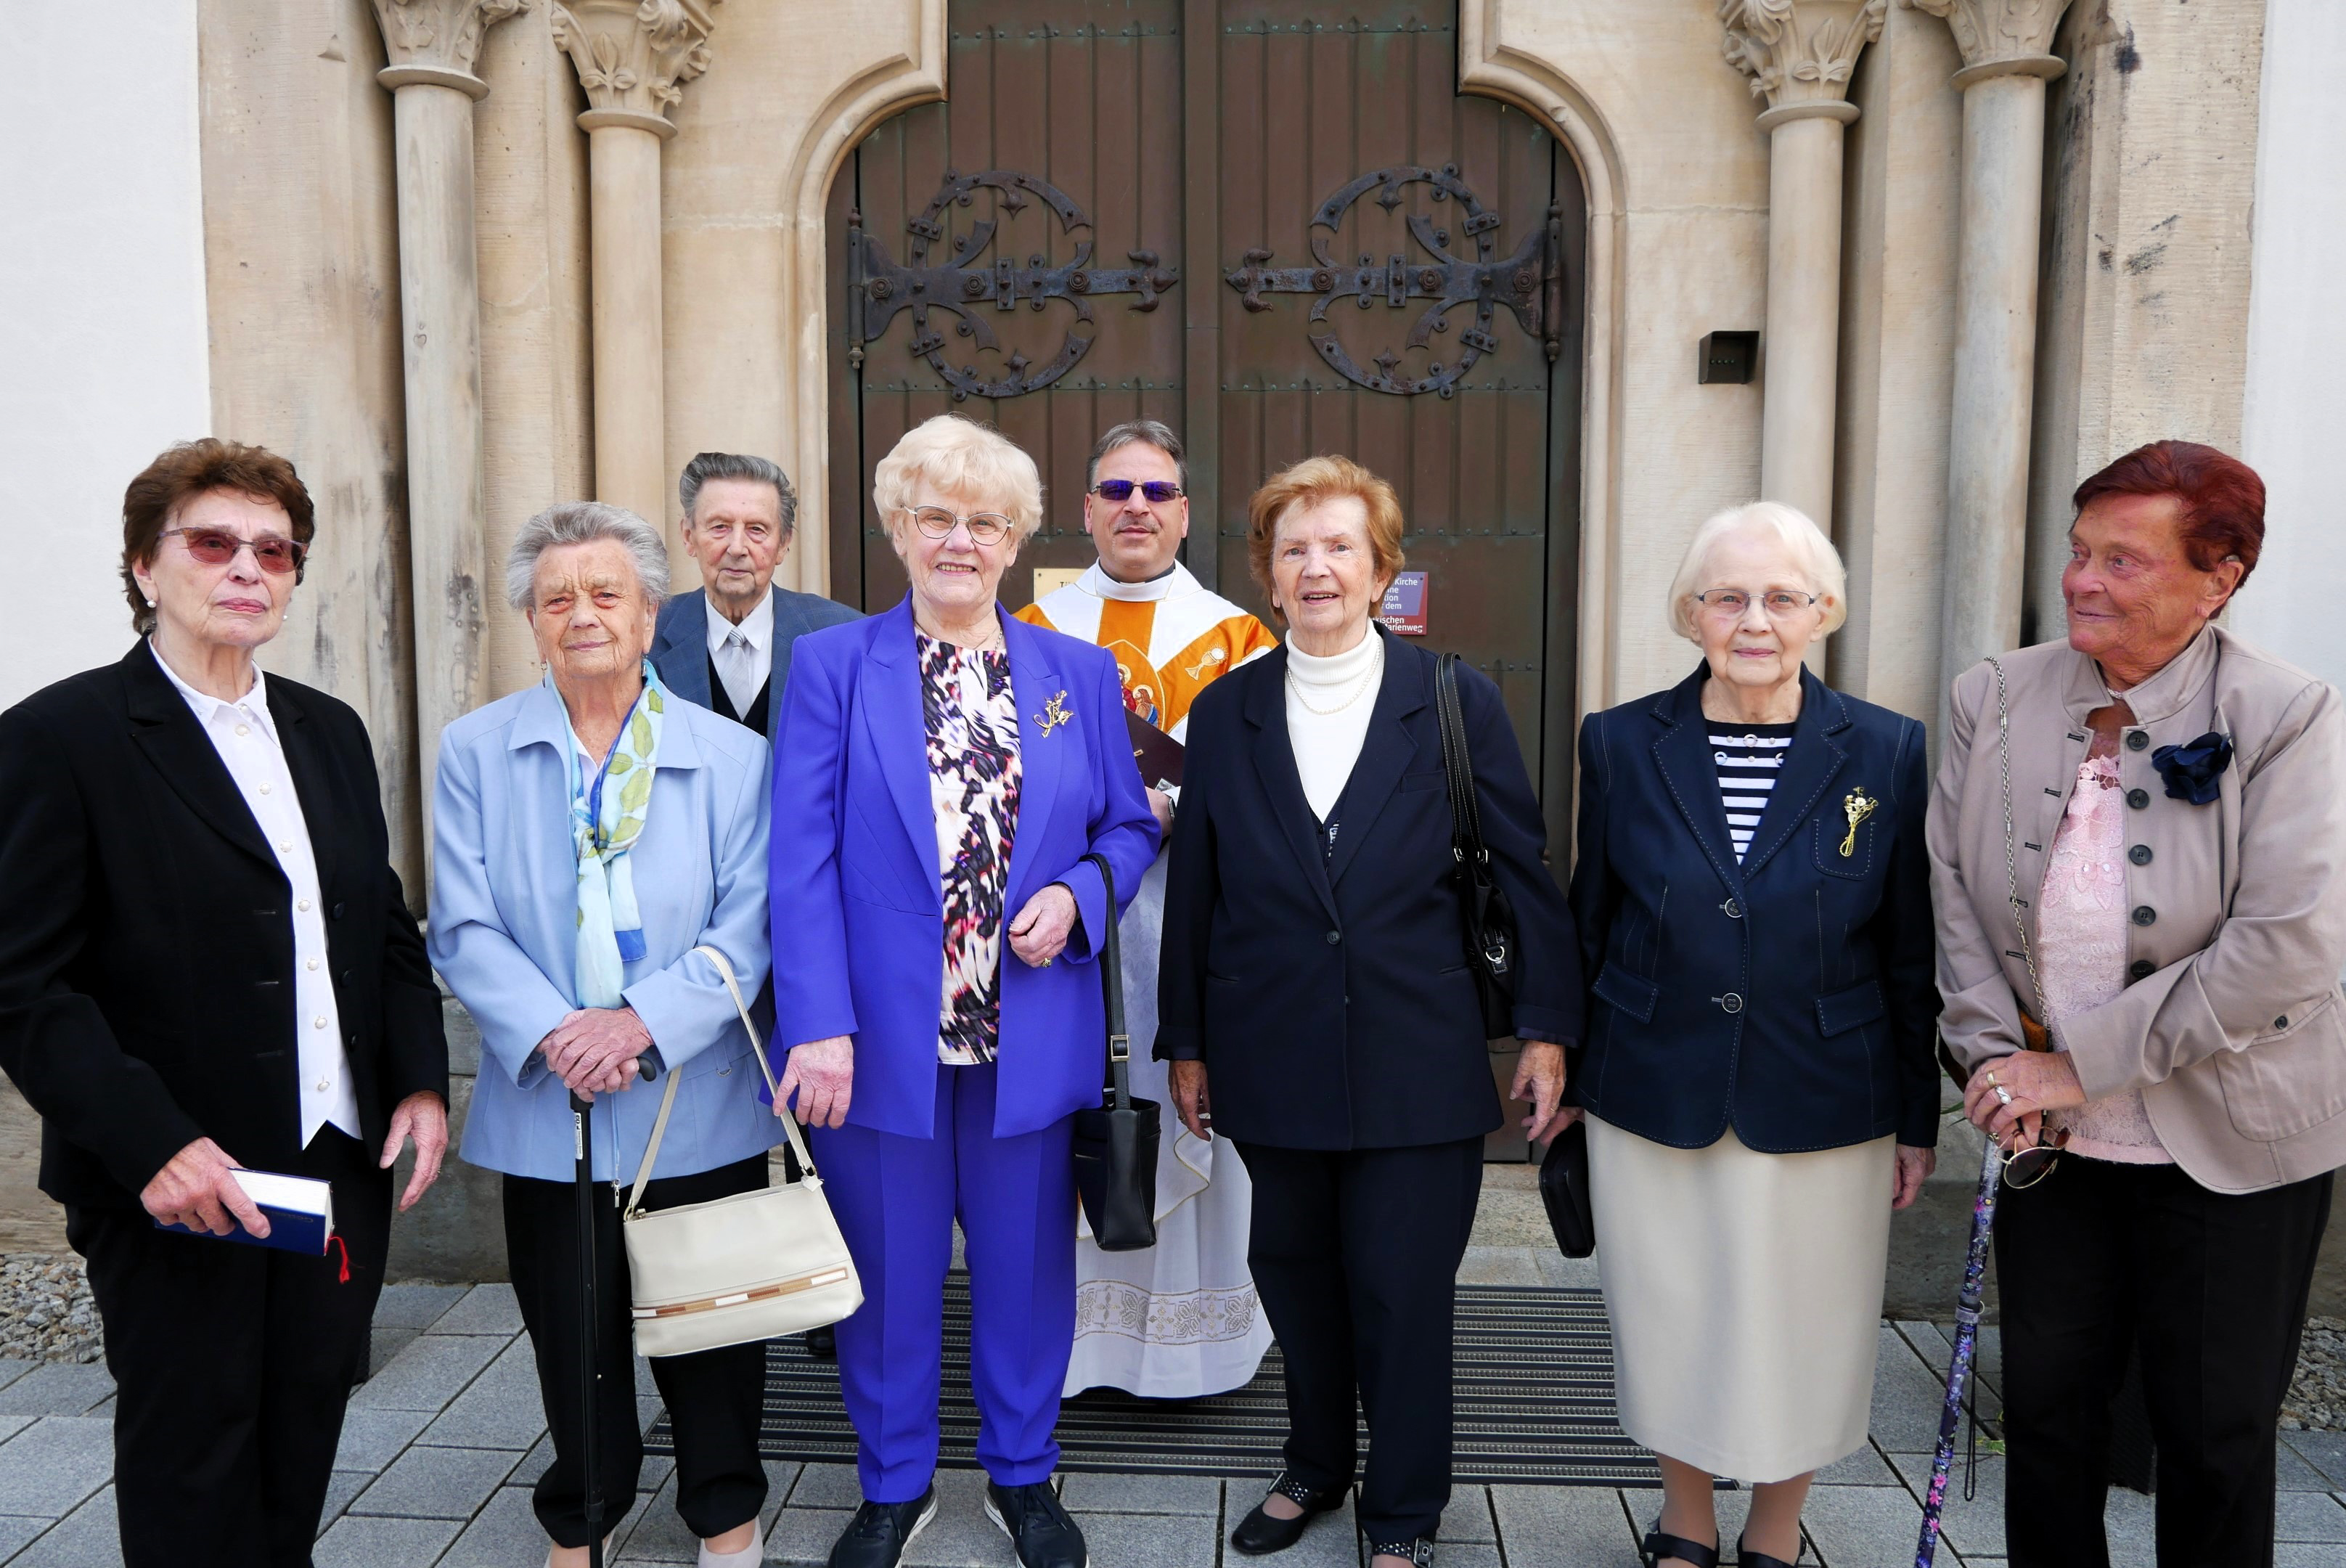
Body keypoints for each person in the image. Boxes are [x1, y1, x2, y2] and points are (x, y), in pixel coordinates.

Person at [0, 438, 450, 1567]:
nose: (248, 567)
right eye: (213, 542)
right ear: (146, 568)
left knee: (300, 1445)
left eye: (275, 550)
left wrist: (421, 1083)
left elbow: (382, 929)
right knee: (193, 1463)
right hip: (176, 1184)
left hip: (331, 1165)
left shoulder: (328, 731)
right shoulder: (64, 736)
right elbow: (22, 983)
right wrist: (153, 1146)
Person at [1156, 456, 1579, 1568]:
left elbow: (1524, 873)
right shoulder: (1229, 708)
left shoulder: (1452, 699)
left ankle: (1402, 1513)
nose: (1317, 567)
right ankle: (1313, 1465)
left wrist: (1547, 1029)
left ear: (1382, 566)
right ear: (1266, 572)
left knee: (1400, 1297)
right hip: (1271, 1047)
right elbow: (1196, 887)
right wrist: (1187, 1043)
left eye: (1340, 546)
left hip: (1417, 1054)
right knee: (1292, 1275)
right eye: (1294, 548)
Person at [1931, 441, 2346, 1567]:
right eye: (2078, 553)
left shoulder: (2288, 712)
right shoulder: (1994, 697)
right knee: (2051, 1426)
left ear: (2219, 579)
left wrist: (2079, 1065)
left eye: (2123, 559)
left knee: (2211, 1435)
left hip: (2233, 1139)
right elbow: (1958, 905)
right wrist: (1992, 1061)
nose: (2083, 580)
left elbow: (2287, 949)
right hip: (2054, 1145)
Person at [768, 412, 1159, 1568]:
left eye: (982, 521)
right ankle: (892, 1483)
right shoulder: (836, 665)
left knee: (1026, 1275)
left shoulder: (1075, 675)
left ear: (1016, 539)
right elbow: (801, 857)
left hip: (1028, 1035)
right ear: (898, 529)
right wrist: (819, 1025)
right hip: (879, 1043)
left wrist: (1085, 895)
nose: (958, 540)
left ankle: (1025, 1476)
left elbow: (1129, 826)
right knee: (885, 1279)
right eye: (935, 517)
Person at [1565, 501, 1939, 1568]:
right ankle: (1687, 1517)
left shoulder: (1885, 748)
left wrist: (1921, 1115)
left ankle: (1777, 1527)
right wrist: (1574, 1068)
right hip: (1653, 1078)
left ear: (1824, 611)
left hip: (1826, 1086)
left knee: (1805, 1322)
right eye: (1728, 597)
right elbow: (1592, 920)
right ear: (1691, 616)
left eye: (1783, 597)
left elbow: (1908, 949)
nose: (1756, 620)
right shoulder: (1623, 741)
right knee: (1672, 1311)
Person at [429, 502, 778, 1568]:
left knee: (714, 1327)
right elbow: (462, 921)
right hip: (550, 1101)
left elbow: (749, 923)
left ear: (650, 613)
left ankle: (725, 1511)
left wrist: (639, 1024)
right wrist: (559, 1033)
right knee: (572, 1330)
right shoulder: (476, 750)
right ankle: (584, 1512)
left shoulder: (729, 756)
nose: (582, 614)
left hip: (693, 1095)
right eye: (557, 599)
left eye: (606, 594)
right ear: (532, 623)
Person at [1015, 418, 1280, 1399]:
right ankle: (1075, 1349)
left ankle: (1195, 1352)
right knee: (1065, 1123)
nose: (1136, 508)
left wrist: (1180, 806)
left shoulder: (1243, 639)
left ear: (1182, 514)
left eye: (1155, 493)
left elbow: (1263, 783)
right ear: (1085, 510)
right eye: (1116, 491)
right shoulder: (1028, 636)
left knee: (1191, 1110)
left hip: (1194, 921)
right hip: (1066, 926)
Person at [650, 450, 861, 738]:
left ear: (784, 543)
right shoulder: (648, 634)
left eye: (757, 529)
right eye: (720, 527)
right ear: (689, 537)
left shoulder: (843, 635)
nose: (737, 547)